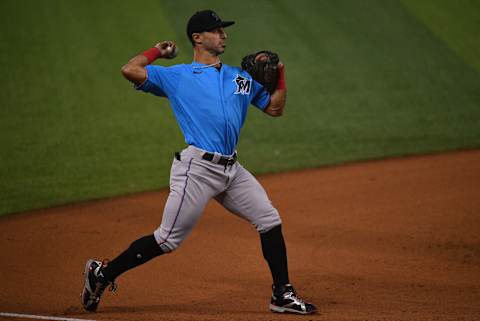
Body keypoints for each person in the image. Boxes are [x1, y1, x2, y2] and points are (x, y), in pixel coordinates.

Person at [81, 9, 317, 315]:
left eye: (223, 30)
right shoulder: (177, 77)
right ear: (198, 37)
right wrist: (157, 51)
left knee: (269, 220)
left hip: (231, 169)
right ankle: (101, 274)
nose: (223, 35)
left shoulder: (240, 78)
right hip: (197, 170)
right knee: (167, 239)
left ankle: (281, 294)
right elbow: (130, 69)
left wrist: (280, 73)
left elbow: (274, 108)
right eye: (217, 30)